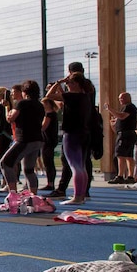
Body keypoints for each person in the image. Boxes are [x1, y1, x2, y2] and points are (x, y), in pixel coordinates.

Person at [44, 72, 93, 205]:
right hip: (84, 133)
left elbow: (49, 96)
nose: (67, 85)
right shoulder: (85, 96)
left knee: (75, 166)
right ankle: (81, 195)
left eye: (69, 83)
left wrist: (58, 82)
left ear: (75, 84)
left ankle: (77, 197)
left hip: (72, 133)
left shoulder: (71, 96)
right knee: (81, 166)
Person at [0, 80, 45, 197]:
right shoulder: (40, 105)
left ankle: (13, 194)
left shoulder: (22, 104)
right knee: (29, 169)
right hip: (37, 139)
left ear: (24, 92)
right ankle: (33, 196)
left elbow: (10, 118)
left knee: (5, 163)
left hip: (25, 139)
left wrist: (7, 107)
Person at [106, 91, 137, 184]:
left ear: (127, 98)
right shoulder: (128, 108)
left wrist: (110, 109)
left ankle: (120, 175)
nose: (120, 100)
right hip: (127, 134)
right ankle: (130, 176)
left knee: (121, 155)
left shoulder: (129, 107)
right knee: (128, 155)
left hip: (125, 134)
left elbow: (122, 116)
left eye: (121, 98)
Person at [40, 98, 60, 191]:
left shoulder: (49, 115)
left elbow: (43, 127)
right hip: (51, 139)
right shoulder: (53, 114)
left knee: (48, 162)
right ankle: (50, 182)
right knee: (49, 161)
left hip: (48, 140)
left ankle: (50, 183)